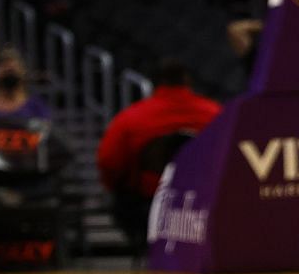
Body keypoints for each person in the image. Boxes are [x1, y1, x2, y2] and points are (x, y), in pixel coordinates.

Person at [95, 59, 222, 249]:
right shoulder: (216, 114)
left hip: (146, 206)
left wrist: (121, 185)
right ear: (188, 82)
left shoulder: (131, 118)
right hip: (208, 203)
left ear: (155, 84)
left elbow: (108, 162)